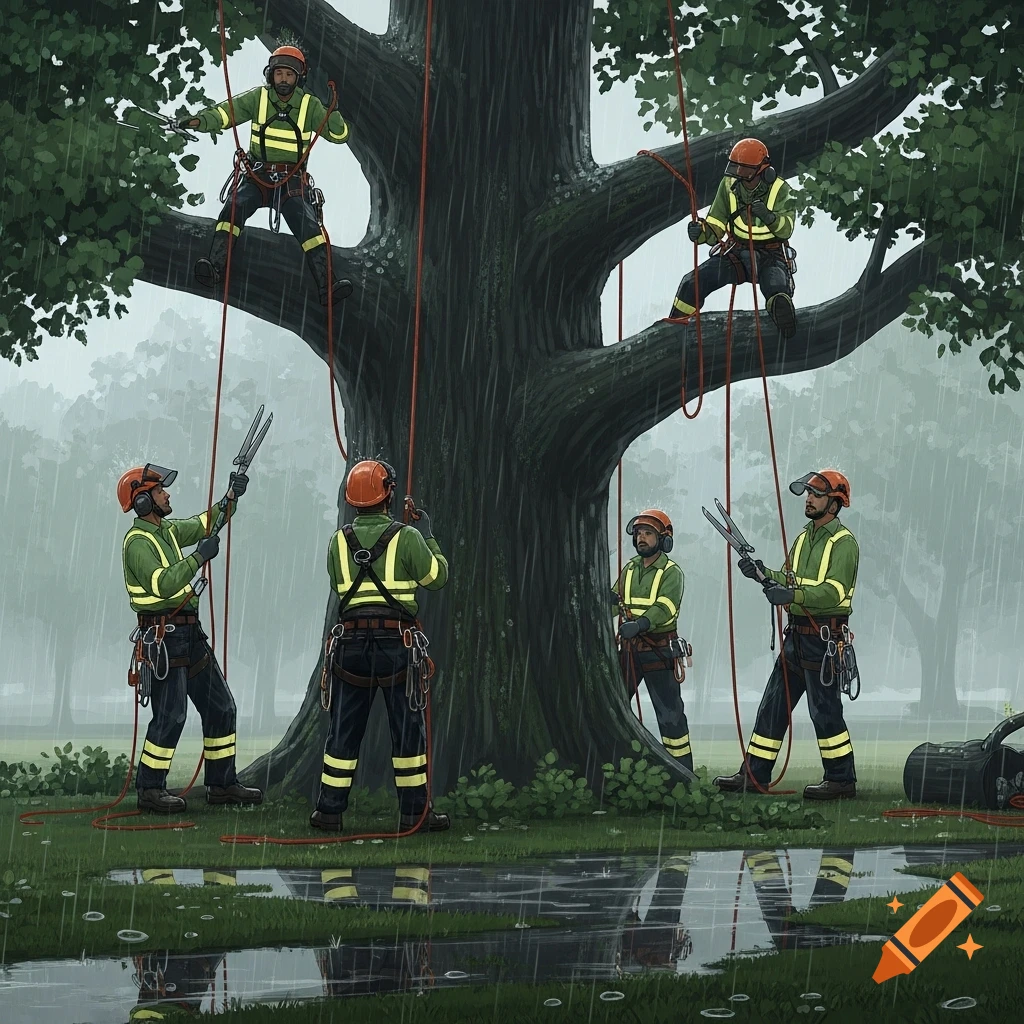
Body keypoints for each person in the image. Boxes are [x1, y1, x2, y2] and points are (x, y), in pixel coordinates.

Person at [310, 459, 450, 833]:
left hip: (350, 645)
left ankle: (328, 809)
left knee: (343, 729)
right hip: (396, 644)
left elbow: (339, 583)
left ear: (353, 500)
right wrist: (428, 536)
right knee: (407, 730)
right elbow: (436, 578)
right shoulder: (408, 537)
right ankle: (414, 813)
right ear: (388, 493)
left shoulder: (338, 542)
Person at [118, 463, 263, 813]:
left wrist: (230, 497)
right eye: (159, 491)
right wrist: (199, 557)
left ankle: (222, 784)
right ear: (142, 503)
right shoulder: (137, 543)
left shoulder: (166, 531)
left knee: (221, 707)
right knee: (171, 715)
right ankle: (150, 790)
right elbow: (162, 584)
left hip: (189, 633)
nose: (167, 495)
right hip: (163, 637)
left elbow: (204, 524)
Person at [714, 469, 860, 800]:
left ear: (835, 503)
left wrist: (791, 597)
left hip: (823, 641)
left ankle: (841, 779)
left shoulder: (844, 543)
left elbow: (834, 592)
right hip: (796, 638)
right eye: (807, 493)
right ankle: (755, 774)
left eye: (815, 494)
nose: (807, 498)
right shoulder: (802, 538)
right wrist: (761, 572)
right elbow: (789, 579)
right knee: (772, 706)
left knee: (824, 712)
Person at [178, 45, 353, 305]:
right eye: (279, 73)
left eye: (289, 75)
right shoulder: (258, 98)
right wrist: (199, 121)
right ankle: (214, 268)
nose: (283, 79)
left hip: (291, 183)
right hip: (257, 177)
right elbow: (226, 113)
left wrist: (332, 108)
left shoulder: (309, 104)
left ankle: (328, 286)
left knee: (308, 227)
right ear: (270, 75)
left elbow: (340, 136)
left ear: (299, 78)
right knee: (233, 208)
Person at [669, 138, 798, 338]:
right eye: (736, 168)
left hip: (771, 255)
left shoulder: (780, 189)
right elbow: (716, 225)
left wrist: (769, 217)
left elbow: (786, 229)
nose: (739, 174)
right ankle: (674, 330)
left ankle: (787, 334)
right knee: (692, 283)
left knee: (777, 290)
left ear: (765, 170)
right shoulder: (728, 185)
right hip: (735, 253)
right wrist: (701, 233)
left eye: (745, 170)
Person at [611, 509, 693, 771]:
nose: (641, 539)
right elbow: (616, 600)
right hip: (629, 651)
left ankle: (682, 770)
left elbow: (666, 607)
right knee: (614, 705)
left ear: (664, 540)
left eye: (647, 533)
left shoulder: (672, 572)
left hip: (659, 651)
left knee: (670, 716)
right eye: (638, 534)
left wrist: (640, 624)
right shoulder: (630, 569)